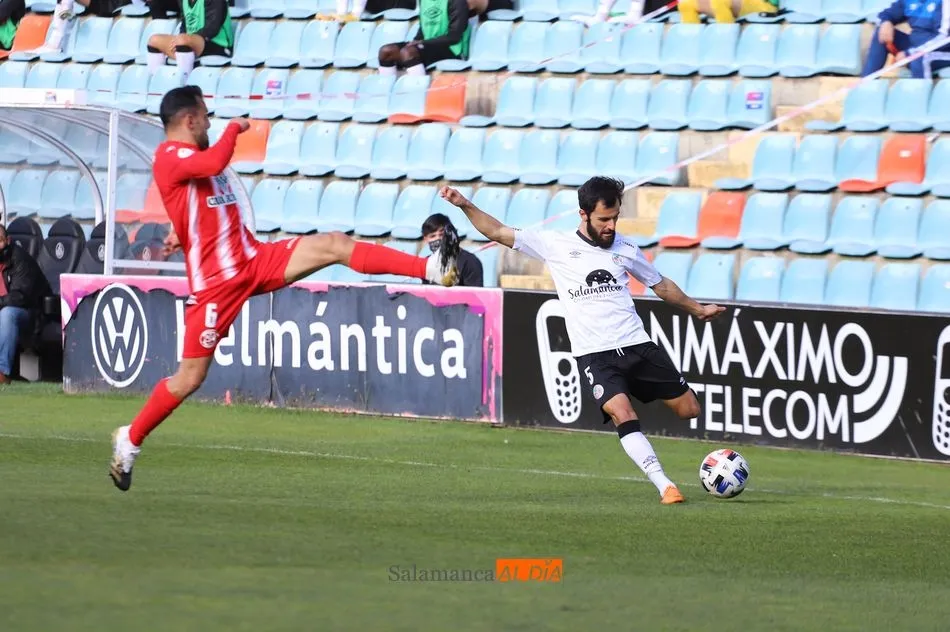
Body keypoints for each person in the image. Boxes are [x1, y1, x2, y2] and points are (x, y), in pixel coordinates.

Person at [109, 86, 460, 492]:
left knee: (334, 244)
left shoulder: (190, 162)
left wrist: (178, 231)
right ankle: (130, 439)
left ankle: (429, 269)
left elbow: (198, 206)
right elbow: (213, 160)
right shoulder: (171, 157)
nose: (210, 122)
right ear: (189, 121)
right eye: (205, 116)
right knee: (189, 379)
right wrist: (236, 129)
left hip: (254, 259)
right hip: (217, 287)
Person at [439, 178, 726, 504]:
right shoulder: (555, 245)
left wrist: (698, 310)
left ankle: (653, 413)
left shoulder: (626, 248)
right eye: (604, 219)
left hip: (637, 345)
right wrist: (464, 204)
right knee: (622, 413)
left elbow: (660, 285)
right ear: (583, 214)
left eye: (615, 217)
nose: (611, 226)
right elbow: (498, 232)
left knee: (690, 409)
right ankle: (665, 485)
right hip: (596, 355)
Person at [0, 225, 52, 385]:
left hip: (30, 313)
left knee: (7, 314)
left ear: (7, 241)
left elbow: (20, 297)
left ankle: (2, 373)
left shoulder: (20, 260)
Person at [146, 0, 234, 83]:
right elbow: (185, 24)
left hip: (217, 44)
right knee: (154, 40)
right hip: (189, 43)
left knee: (182, 40)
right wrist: (180, 39)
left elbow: (212, 28)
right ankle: (156, 84)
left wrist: (185, 39)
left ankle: (184, 84)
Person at [377, 0, 472, 77]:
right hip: (429, 45)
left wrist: (422, 42)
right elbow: (423, 28)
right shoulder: (423, 1)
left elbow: (454, 37)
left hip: (453, 50)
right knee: (387, 51)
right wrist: (416, 41)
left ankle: (416, 93)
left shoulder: (458, 2)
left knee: (408, 52)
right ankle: (384, 96)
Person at [862, 0, 950, 79]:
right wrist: (886, 22)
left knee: (919, 58)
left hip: (944, 51)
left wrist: (910, 53)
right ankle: (866, 85)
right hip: (917, 47)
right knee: (881, 32)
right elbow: (887, 14)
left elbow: (945, 38)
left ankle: (919, 95)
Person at [421, 213, 483, 287]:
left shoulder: (470, 262)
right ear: (426, 239)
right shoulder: (427, 263)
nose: (438, 239)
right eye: (432, 236)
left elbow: (475, 295)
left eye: (442, 234)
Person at [676, 0, 779, 23]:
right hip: (730, 5)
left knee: (719, 1)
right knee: (686, 4)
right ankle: (691, 42)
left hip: (762, 6)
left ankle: (725, 38)